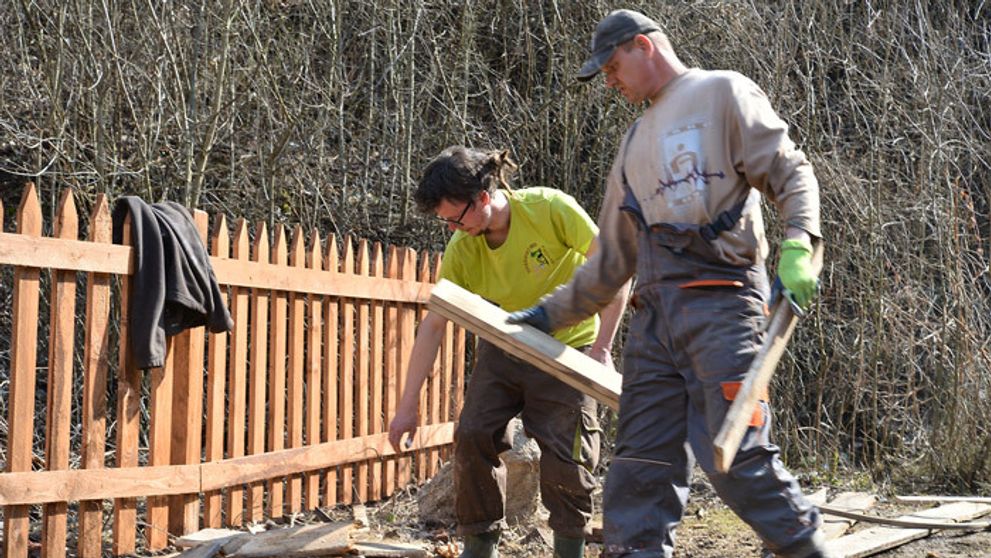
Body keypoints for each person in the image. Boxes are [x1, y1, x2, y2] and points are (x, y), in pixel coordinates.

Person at [507, 9, 833, 558]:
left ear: (644, 46)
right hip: (654, 324)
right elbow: (611, 260)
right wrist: (548, 314)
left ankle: (806, 549)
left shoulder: (722, 93)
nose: (610, 81)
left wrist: (801, 243)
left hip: (724, 307)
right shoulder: (634, 141)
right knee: (640, 467)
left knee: (737, 458)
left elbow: (790, 171)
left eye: (613, 66)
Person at [387, 146, 629, 558]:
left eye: (454, 218)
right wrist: (407, 406)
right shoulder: (463, 249)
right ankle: (480, 545)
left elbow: (614, 269)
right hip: (504, 347)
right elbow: (434, 325)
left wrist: (602, 348)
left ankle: (569, 548)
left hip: (568, 350)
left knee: (566, 456)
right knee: (472, 435)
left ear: (483, 197)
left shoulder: (550, 209)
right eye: (443, 221)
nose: (450, 229)